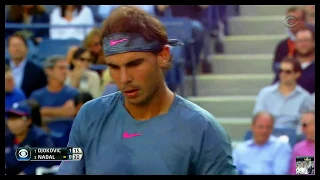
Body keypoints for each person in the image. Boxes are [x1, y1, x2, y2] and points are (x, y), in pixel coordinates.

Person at [58, 6, 236, 175]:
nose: (124, 78)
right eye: (114, 67)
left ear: (163, 56)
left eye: (134, 64)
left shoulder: (203, 129)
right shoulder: (90, 116)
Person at [253, 57, 310, 130]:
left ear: (297, 74)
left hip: (293, 137)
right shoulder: (265, 93)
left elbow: (304, 125)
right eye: (280, 71)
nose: (283, 74)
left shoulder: (305, 97)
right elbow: (257, 118)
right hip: (267, 133)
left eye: (288, 72)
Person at [29, 56, 78, 134]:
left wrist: (44, 111)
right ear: (48, 71)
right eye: (61, 68)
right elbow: (31, 116)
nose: (65, 71)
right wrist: (61, 111)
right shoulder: (37, 95)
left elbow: (71, 112)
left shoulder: (74, 93)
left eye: (66, 68)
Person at [5, 100, 55, 175]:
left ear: (29, 121)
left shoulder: (40, 137)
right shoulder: (8, 137)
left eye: (16, 118)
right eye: (10, 119)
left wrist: (26, 172)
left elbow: (48, 158)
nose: (12, 123)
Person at [5, 33, 47, 98]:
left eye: (19, 45)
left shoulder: (37, 71)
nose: (16, 49)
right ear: (8, 49)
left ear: (27, 48)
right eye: (13, 46)